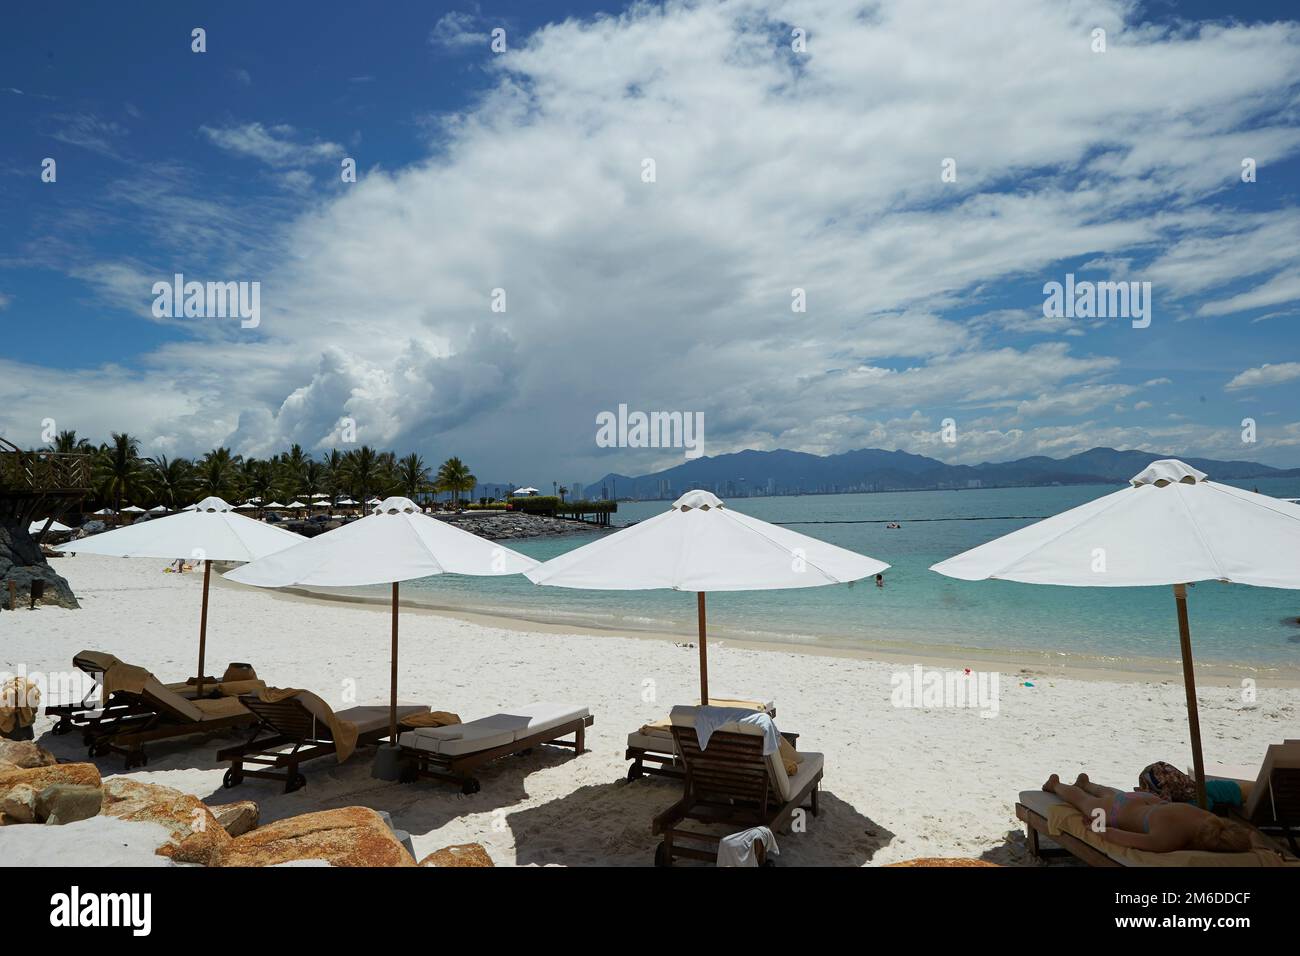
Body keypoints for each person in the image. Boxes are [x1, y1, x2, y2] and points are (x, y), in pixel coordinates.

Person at [1042, 773, 1251, 853]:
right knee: (1085, 803)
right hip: (1121, 812)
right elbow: (1120, 836)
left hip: (1148, 800)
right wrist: (1096, 827)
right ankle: (1056, 785)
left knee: (1107, 796)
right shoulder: (1168, 840)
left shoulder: (1207, 817)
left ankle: (1087, 783)